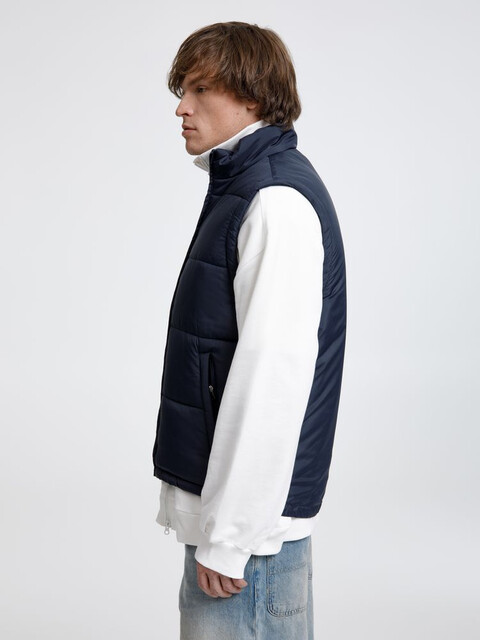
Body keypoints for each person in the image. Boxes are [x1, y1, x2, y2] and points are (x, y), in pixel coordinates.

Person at [152, 21, 347, 640]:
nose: (181, 108)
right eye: (181, 91)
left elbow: (273, 379)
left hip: (248, 547)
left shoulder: (275, 202)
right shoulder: (243, 187)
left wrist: (231, 538)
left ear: (252, 96)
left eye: (199, 89)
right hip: (235, 527)